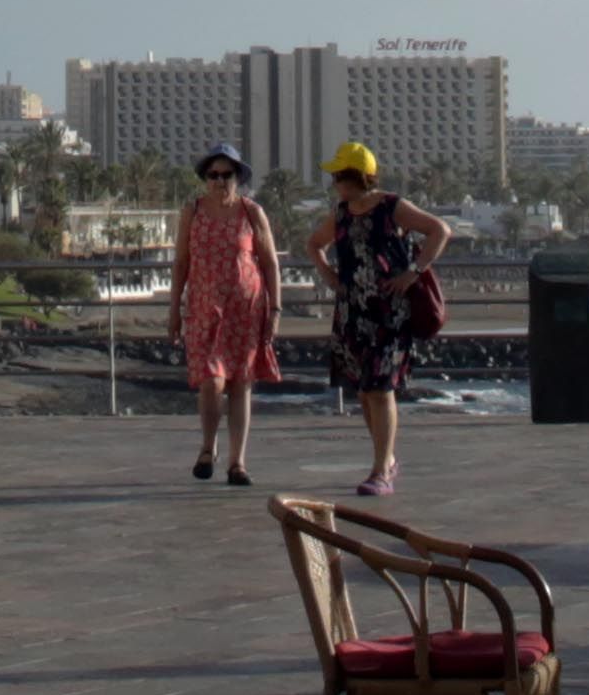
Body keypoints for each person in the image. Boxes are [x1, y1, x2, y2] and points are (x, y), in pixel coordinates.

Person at [313, 144, 451, 501]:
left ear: (356, 177)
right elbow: (314, 244)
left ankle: (380, 471)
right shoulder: (341, 213)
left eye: (339, 176)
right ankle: (385, 459)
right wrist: (331, 277)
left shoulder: (392, 207)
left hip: (389, 313)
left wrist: (413, 272)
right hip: (353, 312)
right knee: (364, 389)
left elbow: (439, 230)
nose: (335, 183)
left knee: (381, 387)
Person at [171, 146, 283, 487]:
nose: (220, 182)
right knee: (211, 380)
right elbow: (181, 262)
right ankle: (208, 449)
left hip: (245, 310)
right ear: (205, 179)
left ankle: (238, 462)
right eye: (213, 175)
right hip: (204, 308)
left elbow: (269, 263)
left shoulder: (252, 212)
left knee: (241, 384)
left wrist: (275, 309)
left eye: (227, 175)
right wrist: (173, 309)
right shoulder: (193, 212)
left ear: (238, 178)